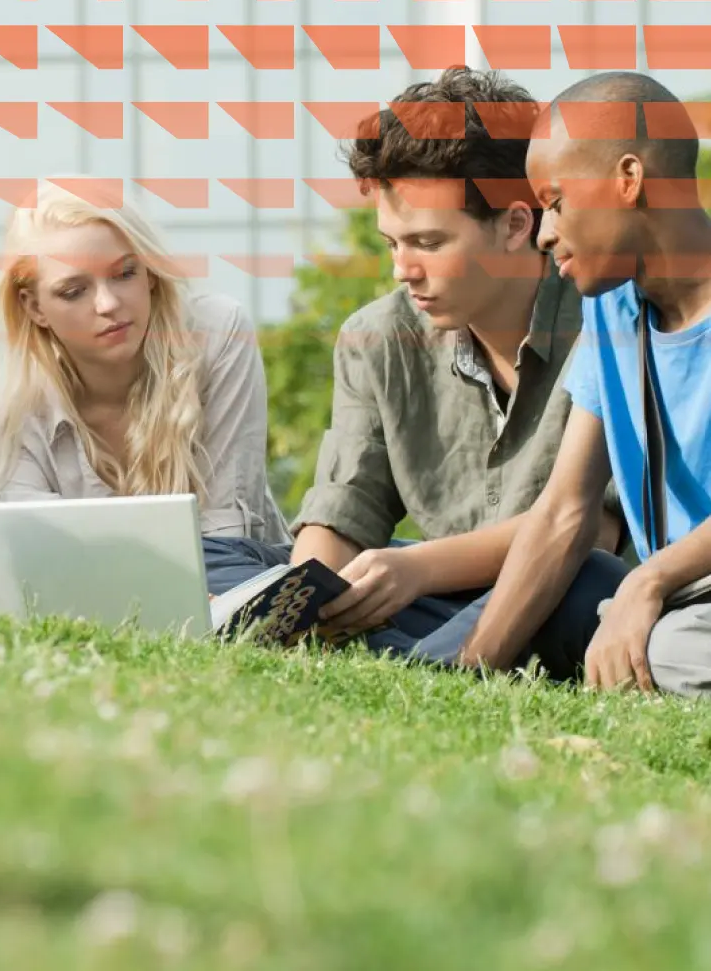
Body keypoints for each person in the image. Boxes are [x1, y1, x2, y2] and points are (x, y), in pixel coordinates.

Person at [203, 65, 628, 677]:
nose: (403, 269)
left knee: (589, 583)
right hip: (434, 593)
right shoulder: (374, 337)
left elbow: (595, 530)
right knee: (218, 555)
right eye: (391, 244)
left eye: (428, 243)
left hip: (560, 588)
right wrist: (303, 599)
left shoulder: (607, 322)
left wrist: (416, 568)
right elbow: (346, 508)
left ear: (515, 224)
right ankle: (365, 651)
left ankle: (414, 666)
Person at [438, 70, 711, 696]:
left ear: (629, 179)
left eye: (556, 201)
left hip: (677, 601)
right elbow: (564, 510)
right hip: (684, 597)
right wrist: (469, 676)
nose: (544, 233)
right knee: (565, 594)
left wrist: (647, 583)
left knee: (665, 646)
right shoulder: (611, 311)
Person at [0, 179, 291, 551]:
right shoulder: (19, 407)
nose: (107, 304)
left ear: (150, 273)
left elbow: (227, 532)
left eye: (125, 273)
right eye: (74, 291)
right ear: (35, 307)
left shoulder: (216, 334)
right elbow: (34, 554)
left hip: (232, 592)